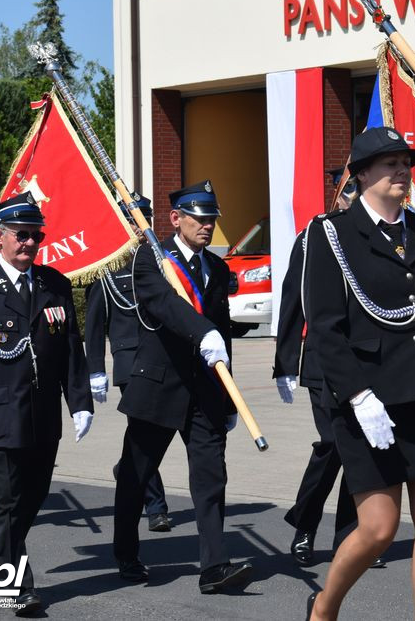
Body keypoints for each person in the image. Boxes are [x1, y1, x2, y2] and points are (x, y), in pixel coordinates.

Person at [304, 128, 415, 621]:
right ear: (360, 174)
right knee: (378, 527)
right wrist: (357, 395)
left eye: (405, 162)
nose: (402, 170)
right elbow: (326, 330)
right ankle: (324, 606)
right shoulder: (331, 233)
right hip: (368, 398)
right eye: (388, 163)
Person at [0, 192, 93, 616]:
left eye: (35, 236)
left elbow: (69, 350)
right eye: (20, 235)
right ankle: (19, 585)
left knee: (33, 495)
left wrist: (79, 401)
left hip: (42, 415)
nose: (29, 243)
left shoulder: (54, 285)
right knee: (5, 502)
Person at [112, 180, 253, 594]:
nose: (207, 226)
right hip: (158, 385)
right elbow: (165, 306)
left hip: (206, 390)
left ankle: (213, 567)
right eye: (199, 218)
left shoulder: (218, 267)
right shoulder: (151, 259)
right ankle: (126, 552)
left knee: (211, 479)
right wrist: (202, 331)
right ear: (176, 219)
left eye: (212, 219)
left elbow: (221, 334)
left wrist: (228, 397)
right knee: (136, 476)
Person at [274, 168, 385, 568]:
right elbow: (292, 296)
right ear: (337, 195)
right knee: (333, 445)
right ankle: (304, 526)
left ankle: (348, 536)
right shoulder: (317, 235)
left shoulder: (380, 236)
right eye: (349, 191)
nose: (354, 199)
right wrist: (285, 361)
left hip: (371, 363)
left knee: (361, 449)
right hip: (325, 361)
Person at [85, 192, 172, 533]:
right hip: (129, 359)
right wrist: (95, 369)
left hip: (162, 357)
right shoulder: (107, 266)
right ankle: (156, 507)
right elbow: (94, 323)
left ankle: (126, 468)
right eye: (131, 219)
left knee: (155, 430)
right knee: (144, 429)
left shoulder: (162, 258)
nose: (137, 226)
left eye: (142, 219)